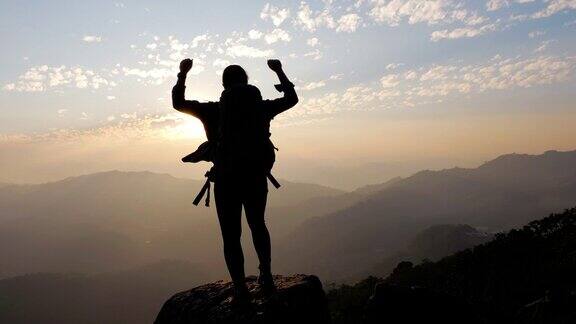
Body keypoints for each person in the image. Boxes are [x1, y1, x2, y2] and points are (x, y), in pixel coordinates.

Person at [172, 58, 298, 302]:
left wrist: (182, 73)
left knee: (231, 235)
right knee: (258, 224)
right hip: (255, 176)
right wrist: (280, 71)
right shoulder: (260, 108)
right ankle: (266, 275)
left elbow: (178, 104)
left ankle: (240, 288)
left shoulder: (213, 110)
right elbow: (291, 100)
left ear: (223, 85)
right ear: (247, 83)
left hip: (227, 179)